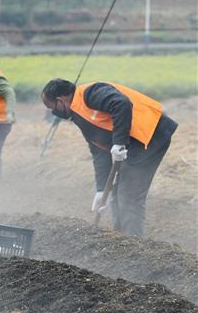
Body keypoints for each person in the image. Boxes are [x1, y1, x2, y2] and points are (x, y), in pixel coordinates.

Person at [41, 78, 177, 237]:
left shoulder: (90, 93)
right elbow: (98, 150)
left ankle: (134, 245)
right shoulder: (79, 114)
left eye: (52, 107)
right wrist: (100, 188)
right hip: (136, 143)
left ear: (60, 101)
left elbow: (121, 103)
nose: (53, 112)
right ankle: (120, 240)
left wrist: (119, 142)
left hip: (151, 136)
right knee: (117, 194)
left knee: (129, 196)